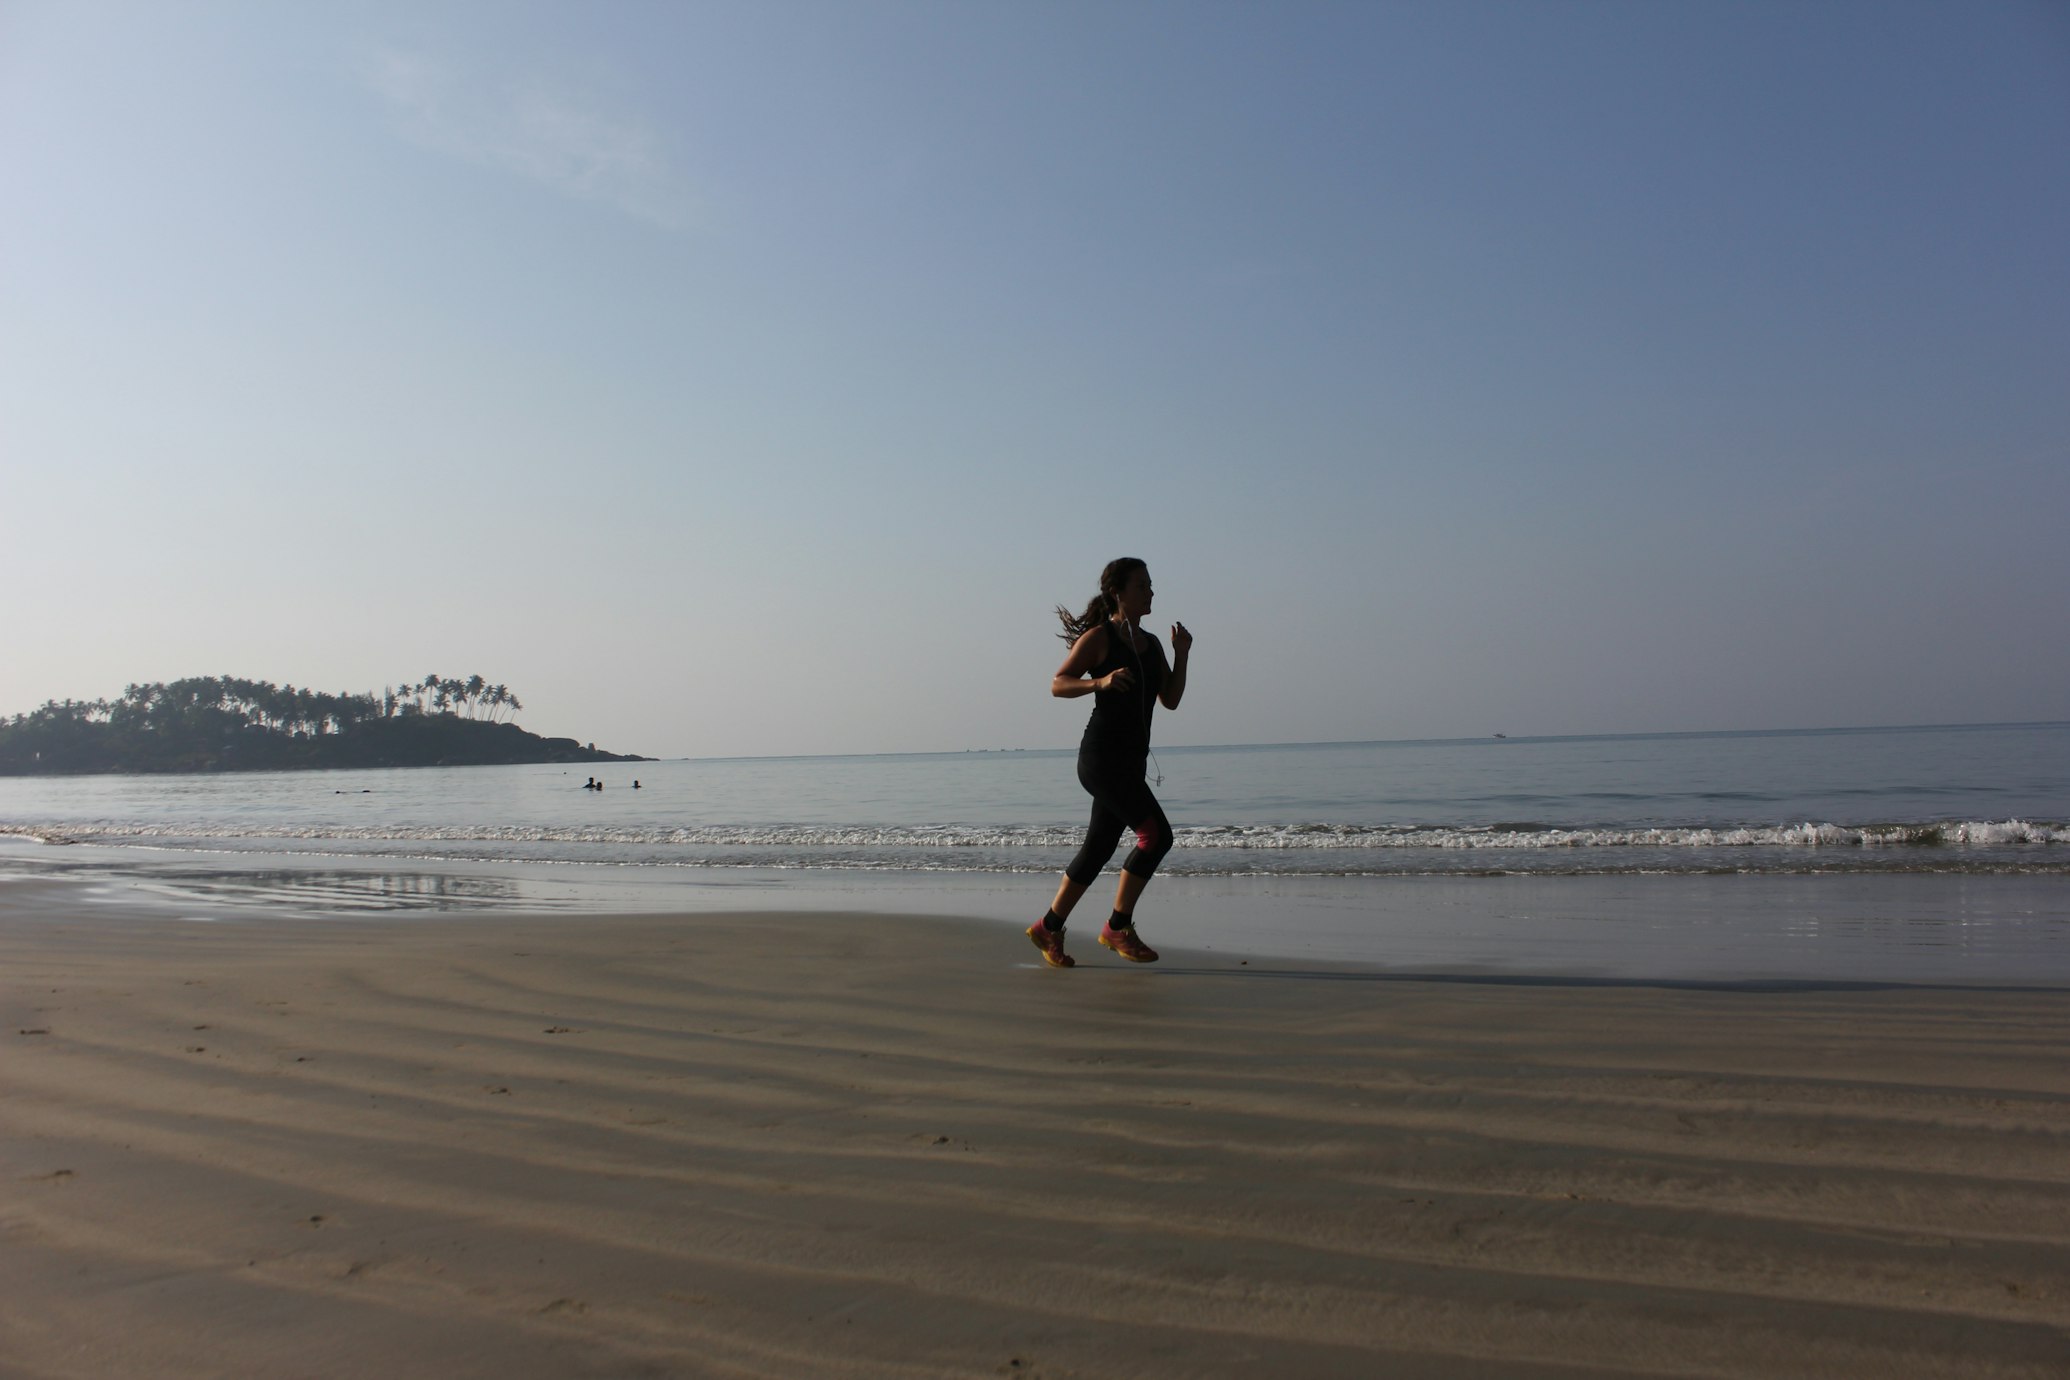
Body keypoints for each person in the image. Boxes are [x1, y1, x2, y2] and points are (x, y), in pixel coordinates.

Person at [1028, 557, 1191, 967]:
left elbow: (1169, 700)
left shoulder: (1152, 645)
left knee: (1098, 847)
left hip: (1130, 763)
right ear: (1118, 592)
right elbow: (1057, 683)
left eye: (1151, 585)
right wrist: (1098, 681)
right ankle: (1118, 926)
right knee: (1157, 836)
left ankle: (1049, 927)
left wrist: (1182, 654)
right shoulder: (1100, 638)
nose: (1151, 591)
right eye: (1142, 585)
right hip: (1101, 759)